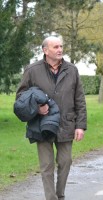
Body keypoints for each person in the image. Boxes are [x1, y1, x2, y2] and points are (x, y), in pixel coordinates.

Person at [16, 35, 87, 200]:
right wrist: (36, 108)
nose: (60, 50)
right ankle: (51, 198)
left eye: (61, 46)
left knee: (66, 162)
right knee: (46, 166)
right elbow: (21, 97)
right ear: (45, 50)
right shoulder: (32, 70)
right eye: (55, 47)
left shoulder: (72, 70)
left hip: (66, 123)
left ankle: (60, 194)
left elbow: (80, 99)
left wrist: (80, 125)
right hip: (42, 125)